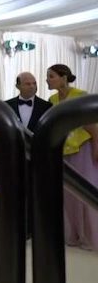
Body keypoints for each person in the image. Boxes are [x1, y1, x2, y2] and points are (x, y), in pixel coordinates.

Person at [46, 64, 98, 250]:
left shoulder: (80, 95)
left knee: (85, 190)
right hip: (62, 151)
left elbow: (92, 125)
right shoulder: (51, 100)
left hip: (82, 149)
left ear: (63, 77)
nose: (47, 80)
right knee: (67, 195)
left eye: (51, 76)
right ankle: (73, 234)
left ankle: (90, 236)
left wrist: (96, 147)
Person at [5, 71, 52, 238]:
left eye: (34, 83)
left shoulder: (47, 106)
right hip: (14, 156)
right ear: (18, 86)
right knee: (14, 192)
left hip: (37, 156)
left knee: (34, 193)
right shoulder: (6, 105)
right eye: (27, 83)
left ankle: (31, 227)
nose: (32, 86)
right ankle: (14, 224)